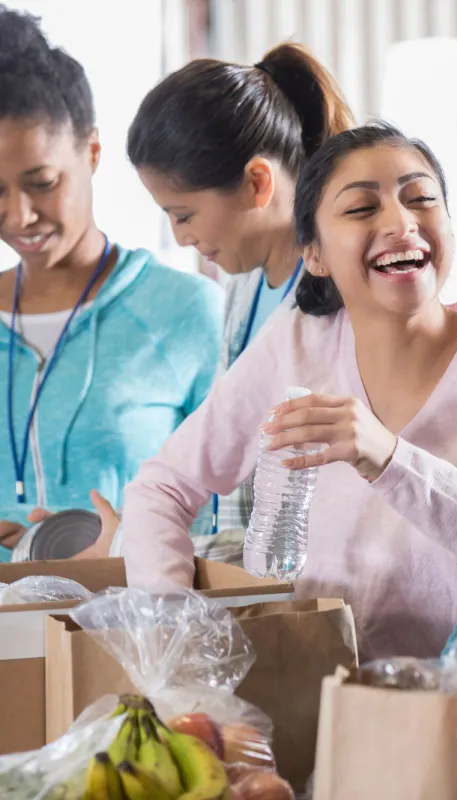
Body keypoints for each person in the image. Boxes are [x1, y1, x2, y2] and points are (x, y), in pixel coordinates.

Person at [120, 122, 457, 659]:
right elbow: (161, 489)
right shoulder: (299, 340)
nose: (402, 222)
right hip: (311, 696)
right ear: (313, 254)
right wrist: (173, 634)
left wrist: (390, 458)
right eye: (362, 209)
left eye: (422, 199)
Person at [0, 6, 223, 561]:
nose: (19, 215)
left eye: (42, 183)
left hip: (136, 639)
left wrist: (132, 545)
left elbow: (241, 523)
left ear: (92, 152)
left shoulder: (188, 312)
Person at [126, 42, 355, 543]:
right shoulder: (244, 286)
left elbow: (325, 511)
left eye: (183, 215)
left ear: (257, 182)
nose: (182, 237)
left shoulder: (341, 300)